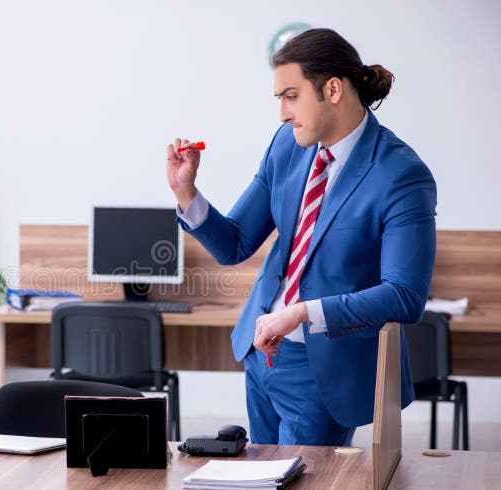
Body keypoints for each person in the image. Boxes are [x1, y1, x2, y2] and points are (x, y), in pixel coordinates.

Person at [166, 28, 436, 446]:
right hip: (261, 353)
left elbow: (404, 296)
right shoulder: (287, 146)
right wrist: (187, 192)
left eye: (290, 96)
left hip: (323, 365)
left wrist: (304, 311)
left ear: (332, 89)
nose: (283, 115)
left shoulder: (400, 175)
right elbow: (235, 243)